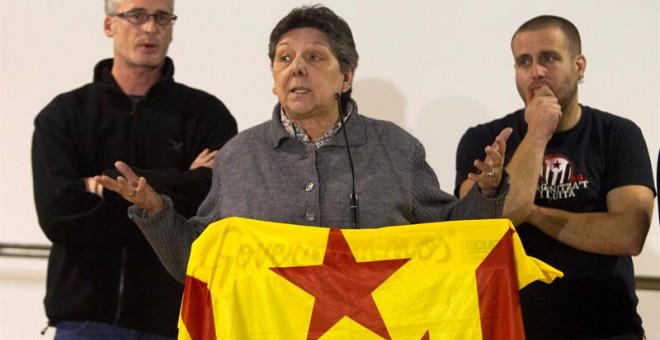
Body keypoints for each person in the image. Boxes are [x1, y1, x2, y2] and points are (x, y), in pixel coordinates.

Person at [97, 4, 512, 285]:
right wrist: (154, 212)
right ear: (273, 75)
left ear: (346, 76)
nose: (296, 68)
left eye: (314, 58)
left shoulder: (396, 148)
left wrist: (489, 190)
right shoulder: (240, 155)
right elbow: (197, 262)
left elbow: (454, 238)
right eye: (284, 58)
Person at [31, 0, 238, 338]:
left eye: (161, 17)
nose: (150, 28)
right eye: (137, 16)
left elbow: (213, 206)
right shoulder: (64, 115)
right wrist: (166, 205)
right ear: (109, 25)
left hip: (173, 322)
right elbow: (58, 215)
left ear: (172, 27)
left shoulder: (206, 115)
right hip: (85, 322)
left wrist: (105, 186)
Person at [455, 15, 656, 339]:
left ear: (580, 66)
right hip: (511, 330)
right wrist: (537, 134)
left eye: (549, 57)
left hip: (609, 330)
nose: (536, 72)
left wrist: (531, 212)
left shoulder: (618, 134)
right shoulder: (486, 139)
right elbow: (477, 229)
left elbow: (628, 233)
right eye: (524, 62)